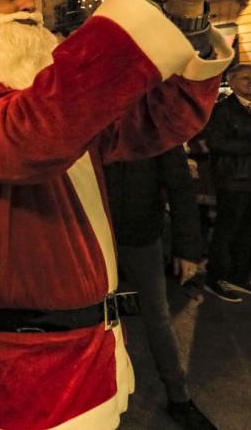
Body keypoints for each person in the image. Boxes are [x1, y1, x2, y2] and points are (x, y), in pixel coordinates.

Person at [0, 0, 233, 430]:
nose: (29, 5)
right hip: (11, 377)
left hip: (89, 357)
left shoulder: (47, 97)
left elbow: (159, 122)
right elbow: (34, 132)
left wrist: (187, 13)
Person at [105, 146, 215, 429]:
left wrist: (188, 247)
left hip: (141, 233)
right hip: (93, 232)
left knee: (157, 316)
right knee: (89, 315)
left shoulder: (154, 122)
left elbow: (180, 187)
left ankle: (179, 396)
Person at [203, 63, 251, 302]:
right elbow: (218, 145)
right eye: (246, 78)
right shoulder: (223, 110)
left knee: (250, 230)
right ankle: (217, 278)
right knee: (228, 230)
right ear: (232, 82)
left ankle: (240, 276)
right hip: (236, 178)